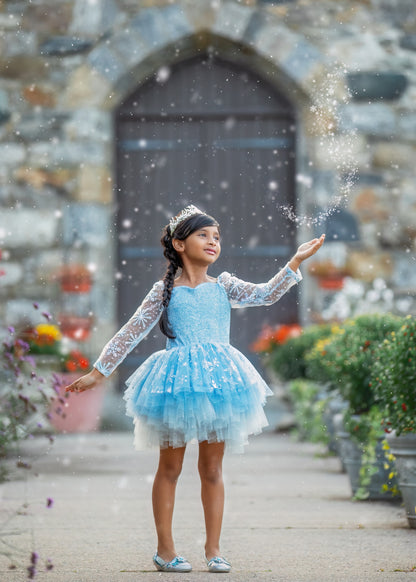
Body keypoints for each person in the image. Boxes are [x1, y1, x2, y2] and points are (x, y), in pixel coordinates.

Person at [66, 205, 325, 573]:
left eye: (216, 237)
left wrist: (295, 262)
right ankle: (165, 550)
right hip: (174, 386)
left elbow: (265, 294)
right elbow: (132, 329)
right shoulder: (164, 290)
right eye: (203, 235)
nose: (212, 242)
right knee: (169, 468)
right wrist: (99, 370)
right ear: (179, 243)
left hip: (219, 384)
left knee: (212, 468)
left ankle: (214, 549)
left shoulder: (225, 285)